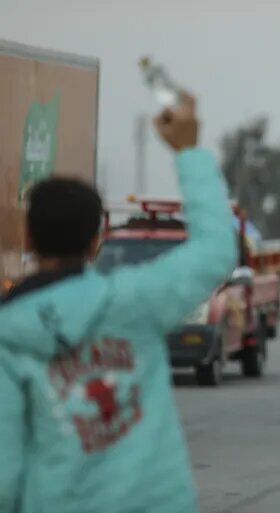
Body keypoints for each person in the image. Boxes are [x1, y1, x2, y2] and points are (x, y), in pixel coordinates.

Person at [0, 92, 236, 512]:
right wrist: (188, 152)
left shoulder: (9, 335)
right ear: (96, 241)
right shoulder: (136, 299)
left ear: (29, 239)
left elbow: (6, 471)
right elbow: (215, 251)